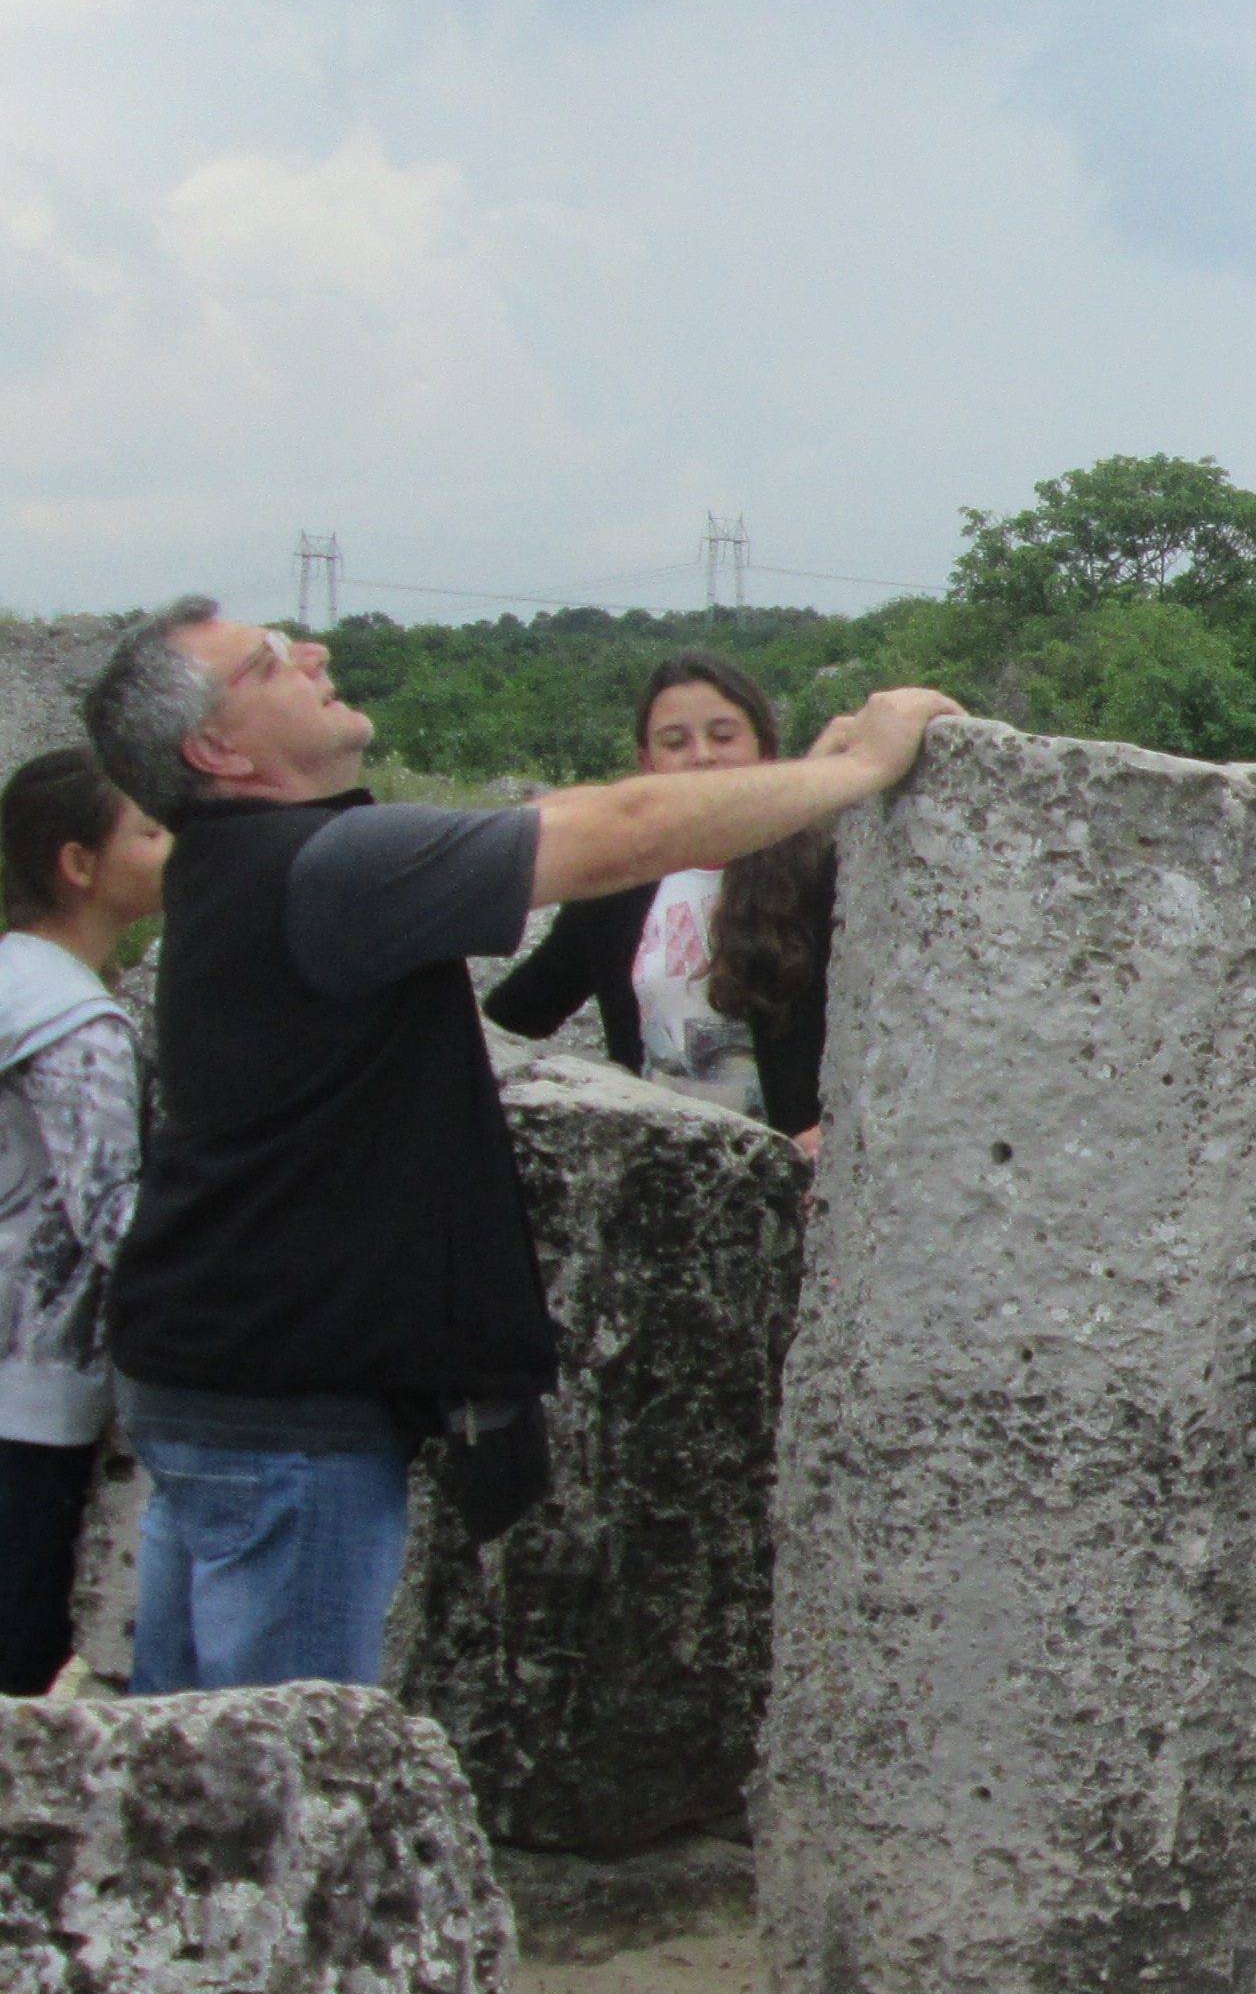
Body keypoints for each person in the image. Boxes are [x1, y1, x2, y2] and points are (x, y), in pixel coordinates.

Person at [82, 603, 954, 1692]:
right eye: (266, 663)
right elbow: (622, 829)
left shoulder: (242, 867)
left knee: (189, 1755)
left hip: (211, 1373)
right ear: (216, 748)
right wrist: (864, 765)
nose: (313, 654)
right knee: (280, 1759)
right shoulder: (324, 866)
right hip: (286, 1411)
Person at [481, 651, 841, 1142]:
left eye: (723, 736)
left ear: (765, 750)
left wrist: (834, 1130)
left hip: (802, 1168)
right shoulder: (616, 884)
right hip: (666, 1166)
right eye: (675, 742)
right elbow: (519, 1014)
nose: (702, 756)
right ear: (646, 765)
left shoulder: (822, 872)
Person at [0, 750, 167, 1696]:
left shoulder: (13, 980)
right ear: (79, 865)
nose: (174, 847)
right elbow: (116, 1220)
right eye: (150, 830)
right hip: (30, 1401)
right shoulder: (76, 1022)